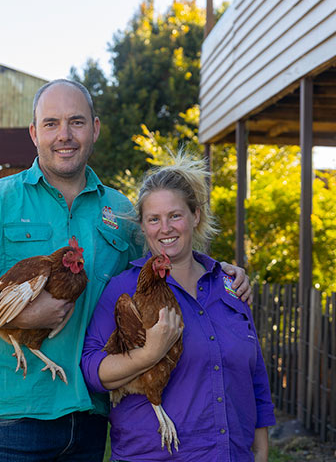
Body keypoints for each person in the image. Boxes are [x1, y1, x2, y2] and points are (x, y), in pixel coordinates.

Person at [0, 79, 252, 461]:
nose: (64, 135)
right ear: (34, 133)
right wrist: (22, 313)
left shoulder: (122, 213)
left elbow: (162, 266)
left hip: (93, 413)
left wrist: (218, 272)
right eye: (51, 124)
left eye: (76, 122)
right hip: (12, 414)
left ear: (95, 128)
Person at [81, 153, 275, 462]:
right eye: (153, 219)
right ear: (143, 227)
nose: (165, 228)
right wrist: (148, 354)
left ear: (196, 215)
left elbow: (256, 383)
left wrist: (260, 455)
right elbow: (92, 370)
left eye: (175, 215)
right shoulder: (124, 289)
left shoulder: (230, 286)